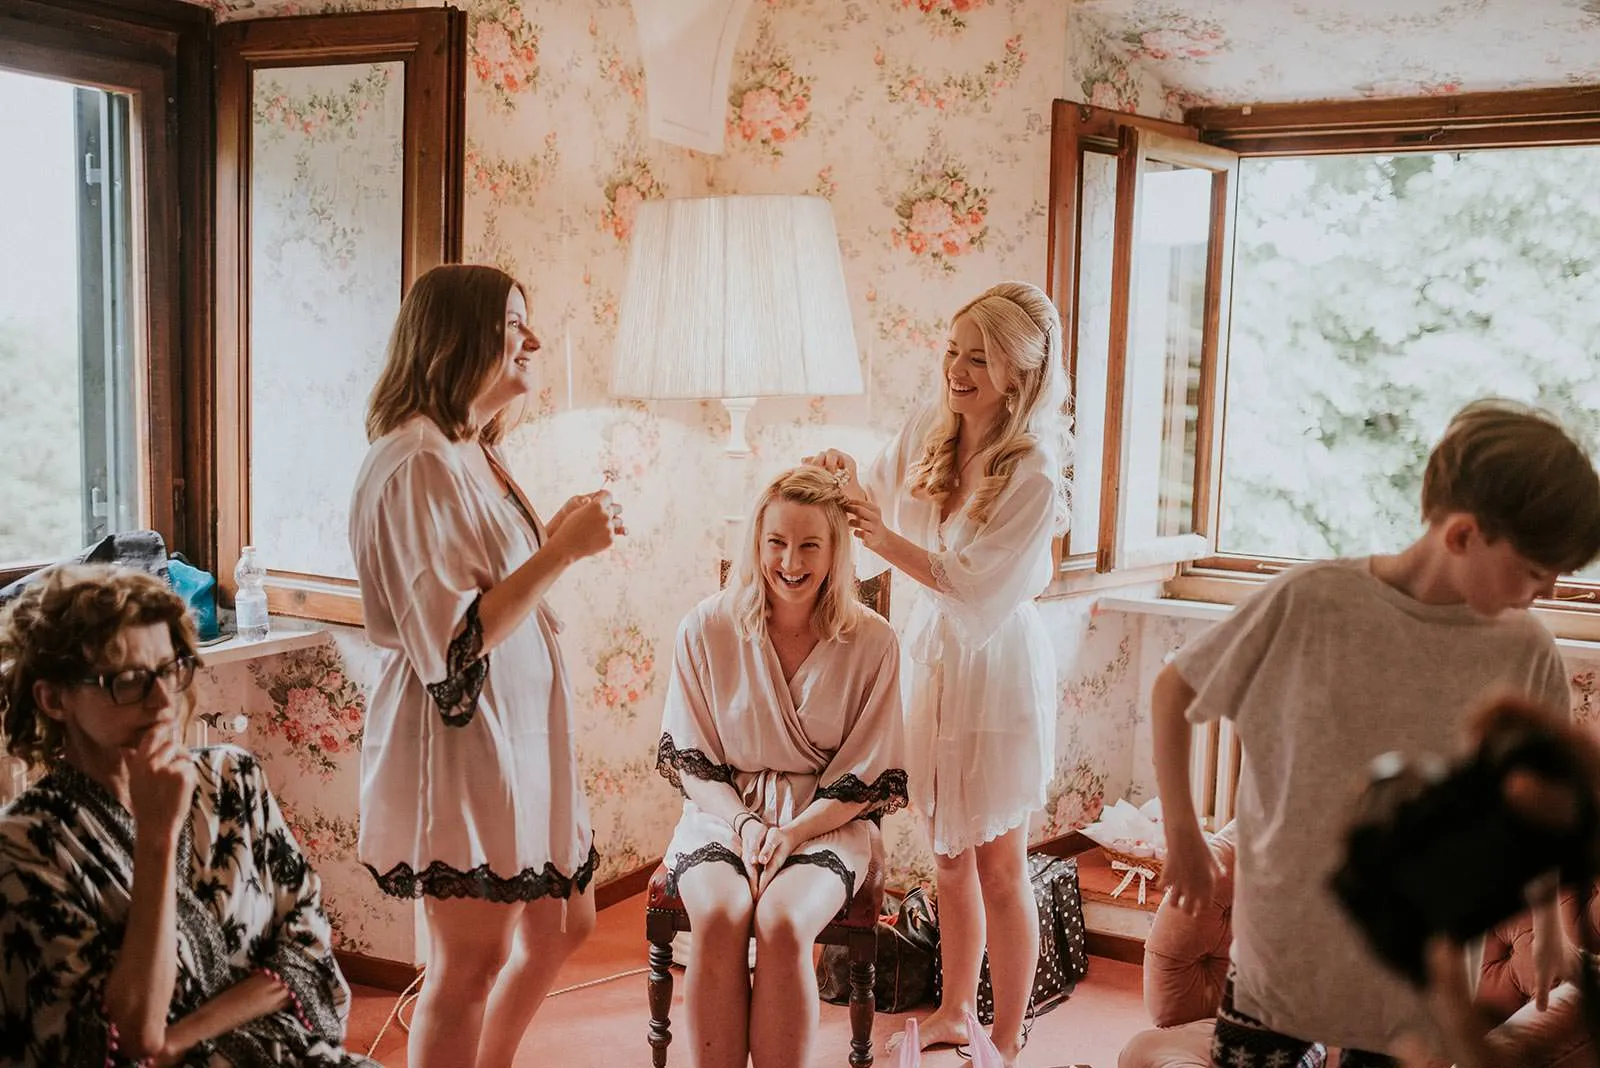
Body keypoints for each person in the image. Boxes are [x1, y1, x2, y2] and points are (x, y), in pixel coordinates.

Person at [1154, 399, 1600, 1066]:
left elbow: (1534, 802)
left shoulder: (1525, 647)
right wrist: (1183, 834)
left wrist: (1550, 929)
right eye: (1535, 573)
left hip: (1421, 974)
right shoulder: (1312, 599)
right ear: (1462, 535)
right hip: (1285, 951)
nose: (1544, 593)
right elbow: (1174, 689)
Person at [349, 263, 623, 1068]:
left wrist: (552, 539)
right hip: (462, 739)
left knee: (564, 924)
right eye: (513, 323)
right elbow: (455, 645)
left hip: (523, 733)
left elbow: (493, 585)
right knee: (467, 965)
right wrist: (564, 552)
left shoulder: (473, 449)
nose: (532, 340)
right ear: (458, 337)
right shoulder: (415, 462)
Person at [809, 280, 1072, 1066]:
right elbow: (875, 490)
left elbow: (971, 581)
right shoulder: (934, 423)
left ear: (1019, 374)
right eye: (953, 350)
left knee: (999, 861)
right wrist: (842, 472)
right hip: (931, 661)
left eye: (978, 358)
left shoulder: (1032, 472)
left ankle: (1009, 1031)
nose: (957, 370)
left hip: (994, 668)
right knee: (946, 858)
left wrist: (882, 540)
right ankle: (957, 1008)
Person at [0, 564, 374, 1067]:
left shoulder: (232, 778)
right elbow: (122, 1037)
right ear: (53, 698)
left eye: (169, 669)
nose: (161, 701)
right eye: (128, 680)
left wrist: (178, 1039)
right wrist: (156, 841)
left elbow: (305, 951)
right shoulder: (24, 849)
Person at [657, 466, 908, 1068]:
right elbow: (693, 762)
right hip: (723, 814)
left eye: (809, 545)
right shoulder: (706, 627)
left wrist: (791, 833)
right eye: (776, 542)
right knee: (716, 918)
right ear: (756, 543)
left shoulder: (873, 643)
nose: (790, 561)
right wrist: (746, 825)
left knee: (784, 923)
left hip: (824, 819)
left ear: (835, 551)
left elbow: (867, 776)